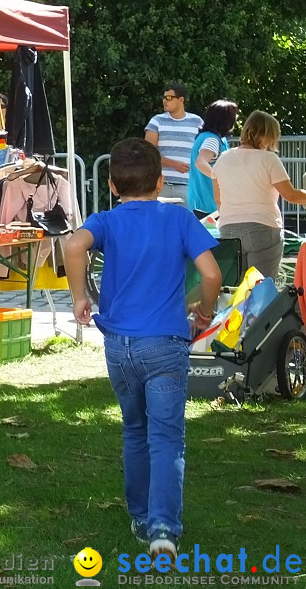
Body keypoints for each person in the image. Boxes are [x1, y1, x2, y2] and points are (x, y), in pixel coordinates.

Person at [64, 138, 220, 560]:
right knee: (167, 437)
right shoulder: (179, 218)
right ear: (160, 181)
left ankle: (138, 515)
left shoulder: (107, 221)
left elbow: (72, 244)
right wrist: (204, 312)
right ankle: (163, 528)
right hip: (166, 346)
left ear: (113, 186)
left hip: (119, 345)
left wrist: (79, 296)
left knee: (134, 430)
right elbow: (211, 274)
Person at [213, 111, 306, 279]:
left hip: (228, 230)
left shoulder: (222, 159)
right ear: (265, 134)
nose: (272, 142)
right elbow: (291, 195)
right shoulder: (269, 159)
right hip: (263, 228)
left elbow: (218, 199)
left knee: (235, 292)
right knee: (261, 291)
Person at [144, 83, 202, 201]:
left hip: (189, 185)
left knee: (187, 219)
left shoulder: (197, 122)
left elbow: (203, 151)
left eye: (169, 98)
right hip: (160, 185)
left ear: (181, 100)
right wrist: (173, 164)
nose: (165, 101)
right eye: (164, 97)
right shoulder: (157, 121)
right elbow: (148, 153)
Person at [187, 100, 239, 218]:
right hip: (209, 205)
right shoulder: (212, 140)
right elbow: (200, 162)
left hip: (202, 203)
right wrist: (219, 177)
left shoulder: (207, 136)